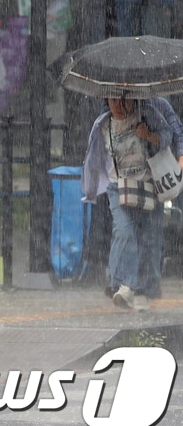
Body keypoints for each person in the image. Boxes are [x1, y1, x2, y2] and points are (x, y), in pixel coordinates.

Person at [81, 95, 180, 312]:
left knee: (150, 237)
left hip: (149, 184)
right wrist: (91, 185)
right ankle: (123, 285)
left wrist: (149, 135)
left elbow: (168, 135)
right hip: (118, 187)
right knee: (124, 231)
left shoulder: (149, 111)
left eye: (121, 100)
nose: (116, 105)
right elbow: (93, 156)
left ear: (130, 99)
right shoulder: (102, 123)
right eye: (111, 100)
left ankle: (145, 289)